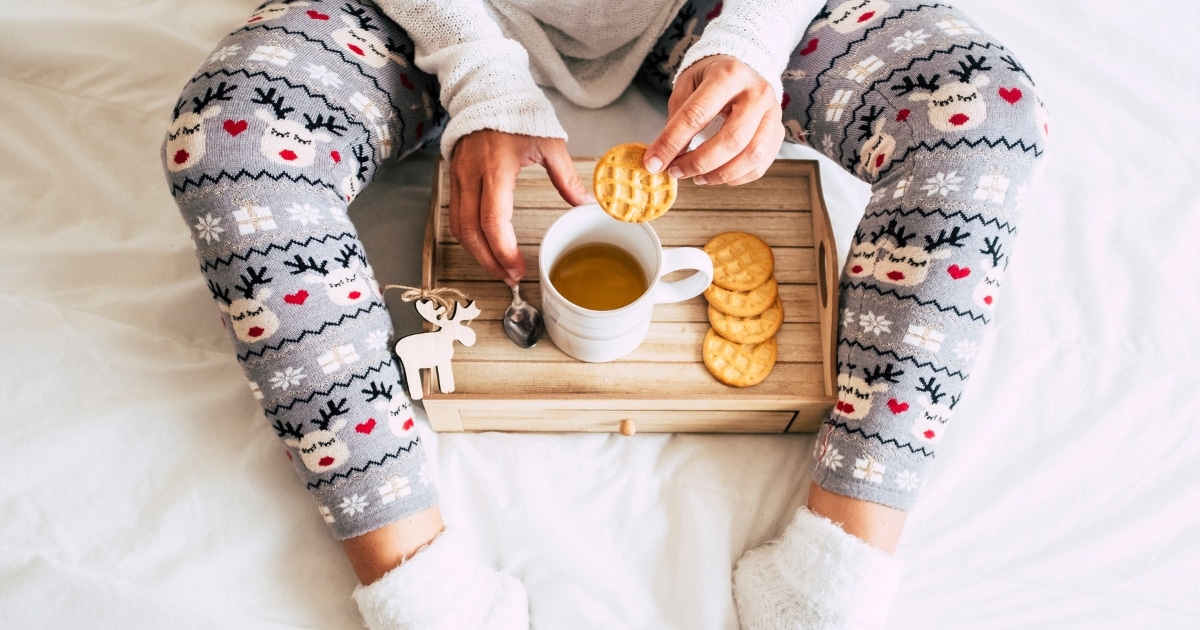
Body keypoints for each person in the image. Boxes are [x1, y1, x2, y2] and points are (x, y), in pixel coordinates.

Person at [161, 0, 1047, 627]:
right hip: (423, 15)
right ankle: (414, 583)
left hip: (695, 10)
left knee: (982, 112)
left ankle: (837, 564)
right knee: (226, 139)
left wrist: (756, 35)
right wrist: (477, 73)